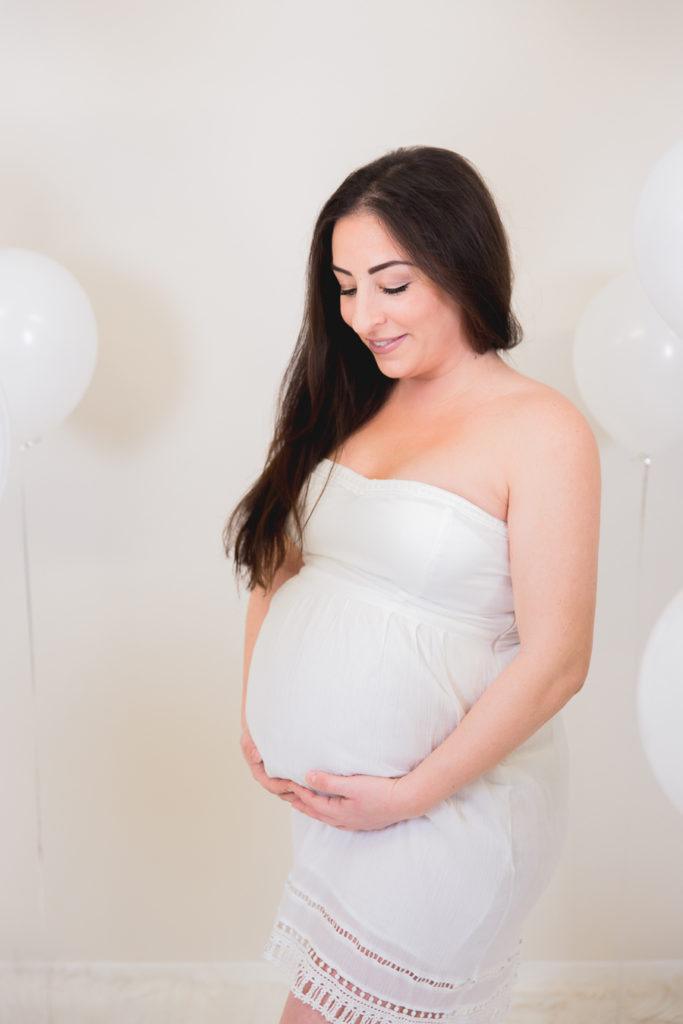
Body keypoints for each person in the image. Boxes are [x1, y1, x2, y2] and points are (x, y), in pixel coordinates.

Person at [225, 146, 601, 1024]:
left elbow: (557, 662)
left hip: (448, 812)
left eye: (390, 284)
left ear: (460, 263)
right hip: (340, 812)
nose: (362, 314)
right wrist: (256, 711)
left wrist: (408, 795)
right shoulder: (349, 398)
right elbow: (278, 560)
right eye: (345, 285)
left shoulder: (540, 430)